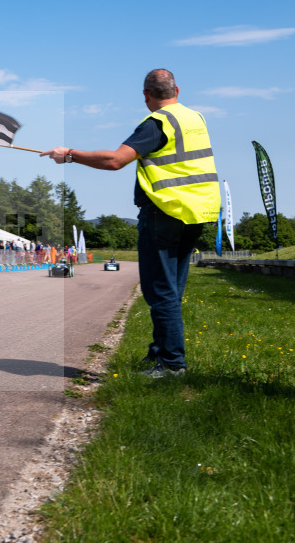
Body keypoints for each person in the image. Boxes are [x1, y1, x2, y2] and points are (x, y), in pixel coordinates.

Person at [41, 69, 220, 378]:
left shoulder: (157, 124)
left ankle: (172, 365)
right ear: (177, 90)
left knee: (160, 291)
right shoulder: (196, 118)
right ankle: (159, 354)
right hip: (197, 212)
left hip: (164, 212)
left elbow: (114, 160)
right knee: (172, 291)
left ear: (146, 95)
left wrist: (69, 155)